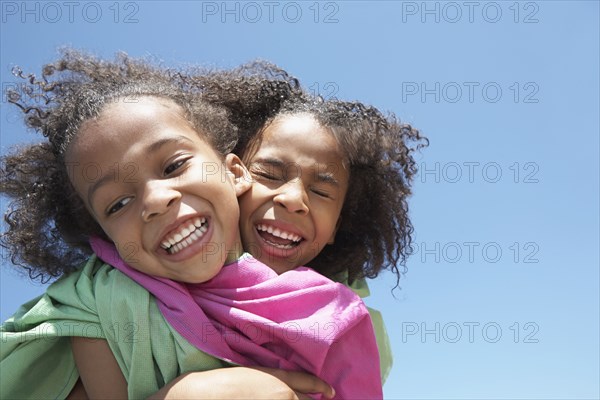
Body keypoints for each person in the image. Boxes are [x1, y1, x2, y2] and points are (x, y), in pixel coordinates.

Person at [0, 51, 382, 399]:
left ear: (234, 172)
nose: (155, 199)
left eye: (173, 166)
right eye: (118, 204)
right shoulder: (97, 307)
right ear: (107, 238)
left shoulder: (332, 313)